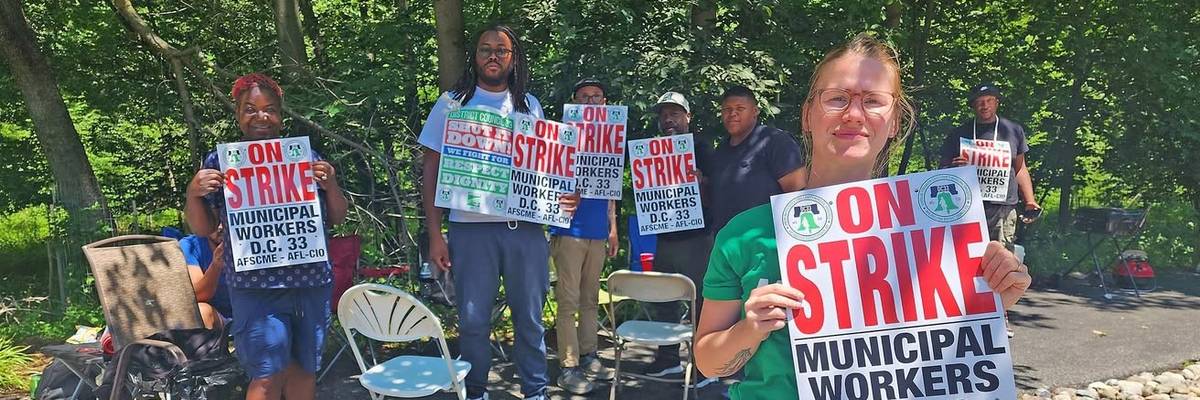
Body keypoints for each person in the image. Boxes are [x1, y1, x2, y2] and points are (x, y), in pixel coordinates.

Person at [694, 34, 1032, 400]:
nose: (853, 114)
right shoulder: (745, 235)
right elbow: (709, 364)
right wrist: (751, 328)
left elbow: (950, 360)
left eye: (872, 101)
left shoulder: (940, 230)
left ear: (896, 122)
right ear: (808, 115)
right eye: (837, 98)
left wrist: (992, 296)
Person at [418, 24, 576, 400]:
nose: (492, 56)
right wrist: (436, 234)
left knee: (530, 321)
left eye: (501, 50)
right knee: (472, 322)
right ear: (475, 56)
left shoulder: (529, 105)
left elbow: (547, 169)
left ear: (513, 58)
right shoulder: (452, 103)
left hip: (524, 230)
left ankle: (536, 392)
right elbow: (431, 170)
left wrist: (567, 196)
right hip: (470, 232)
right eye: (485, 49)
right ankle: (476, 392)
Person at [185, 73, 349, 400]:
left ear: (280, 114)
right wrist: (192, 193)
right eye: (250, 109)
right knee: (266, 374)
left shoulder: (306, 157)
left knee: (305, 369)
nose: (261, 117)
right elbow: (202, 229)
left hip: (309, 282)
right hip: (255, 287)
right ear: (237, 115)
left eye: (269, 109)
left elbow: (337, 217)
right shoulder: (221, 162)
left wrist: (330, 184)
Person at [638, 91, 717, 385]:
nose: (668, 119)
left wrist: (702, 181)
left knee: (702, 303)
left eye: (674, 113)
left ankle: (704, 365)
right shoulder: (651, 150)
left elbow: (717, 191)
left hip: (697, 238)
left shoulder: (702, 147)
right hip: (665, 237)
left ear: (687, 117)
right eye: (663, 114)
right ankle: (668, 359)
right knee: (664, 301)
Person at [550, 78, 618, 395]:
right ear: (575, 102)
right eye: (585, 96)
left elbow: (612, 187)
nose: (591, 101)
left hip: (596, 231)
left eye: (597, 96)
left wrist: (612, 227)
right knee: (568, 301)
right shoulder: (560, 137)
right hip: (568, 229)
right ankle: (568, 366)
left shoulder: (611, 138)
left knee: (591, 299)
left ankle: (590, 355)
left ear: (605, 102)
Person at [940, 83, 1041, 249]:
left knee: (1002, 258)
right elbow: (941, 172)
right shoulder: (958, 134)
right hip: (967, 207)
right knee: (968, 256)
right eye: (980, 101)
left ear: (997, 102)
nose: (985, 105)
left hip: (1004, 207)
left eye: (989, 100)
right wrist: (954, 168)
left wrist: (1030, 200)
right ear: (973, 105)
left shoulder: (1013, 131)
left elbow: (1020, 168)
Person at [707, 85, 807, 234]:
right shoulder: (720, 150)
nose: (732, 113)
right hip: (728, 245)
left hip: (766, 241)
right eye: (727, 109)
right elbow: (713, 201)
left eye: (740, 108)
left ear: (755, 112)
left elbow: (799, 194)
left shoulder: (774, 141)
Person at [179, 227, 232, 330]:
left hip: (254, 312)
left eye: (225, 217)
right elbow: (198, 296)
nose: (221, 226)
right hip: (218, 317)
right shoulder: (190, 246)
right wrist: (216, 265)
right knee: (200, 311)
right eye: (215, 219)